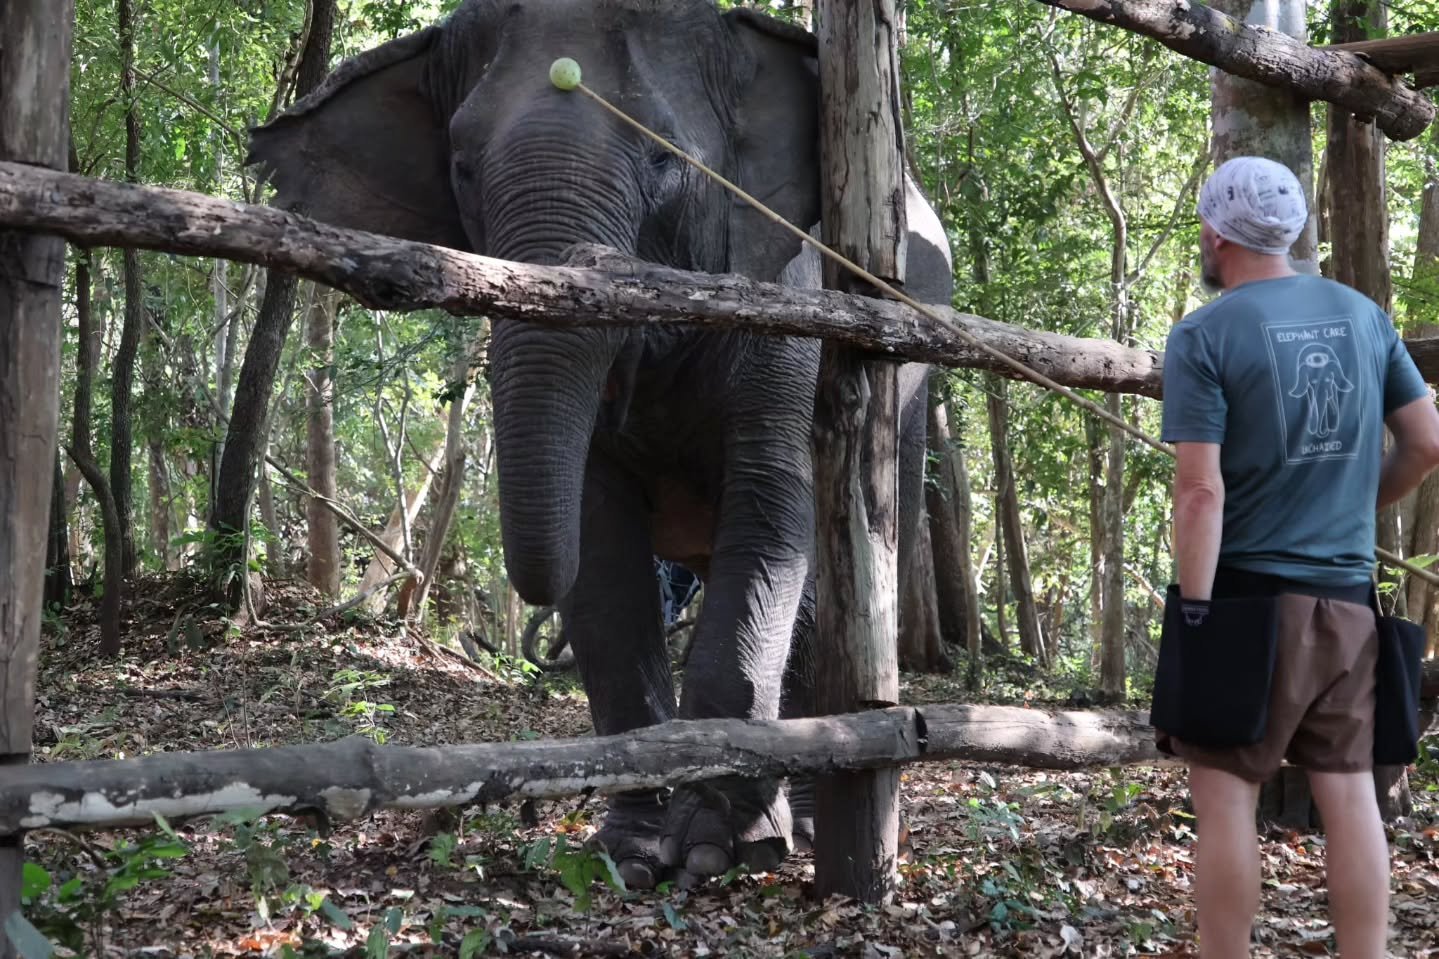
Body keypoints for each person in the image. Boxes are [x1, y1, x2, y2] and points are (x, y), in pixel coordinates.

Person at [1160, 155, 1439, 959]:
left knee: (1224, 798)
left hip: (1245, 600)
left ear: (1215, 233)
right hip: (1349, 602)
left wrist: (1194, 613)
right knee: (1350, 795)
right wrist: (1347, 509)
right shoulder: (1362, 315)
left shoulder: (1204, 334)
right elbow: (1425, 443)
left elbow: (1199, 493)